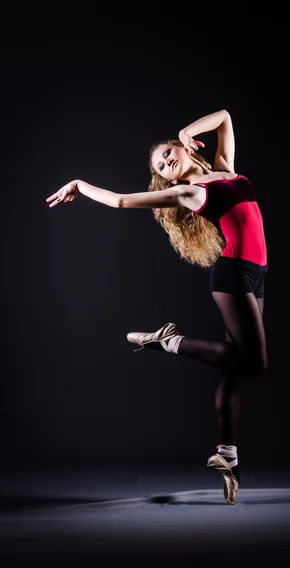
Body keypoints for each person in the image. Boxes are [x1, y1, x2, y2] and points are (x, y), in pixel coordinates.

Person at [45, 109, 268, 505]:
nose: (167, 162)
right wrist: (80, 184)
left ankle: (227, 456)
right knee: (255, 362)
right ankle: (170, 342)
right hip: (232, 275)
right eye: (162, 166)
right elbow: (119, 201)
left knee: (236, 367)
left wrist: (187, 129)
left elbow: (225, 119)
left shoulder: (224, 169)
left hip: (256, 272)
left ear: (181, 149)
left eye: (168, 153)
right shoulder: (189, 192)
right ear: (168, 179)